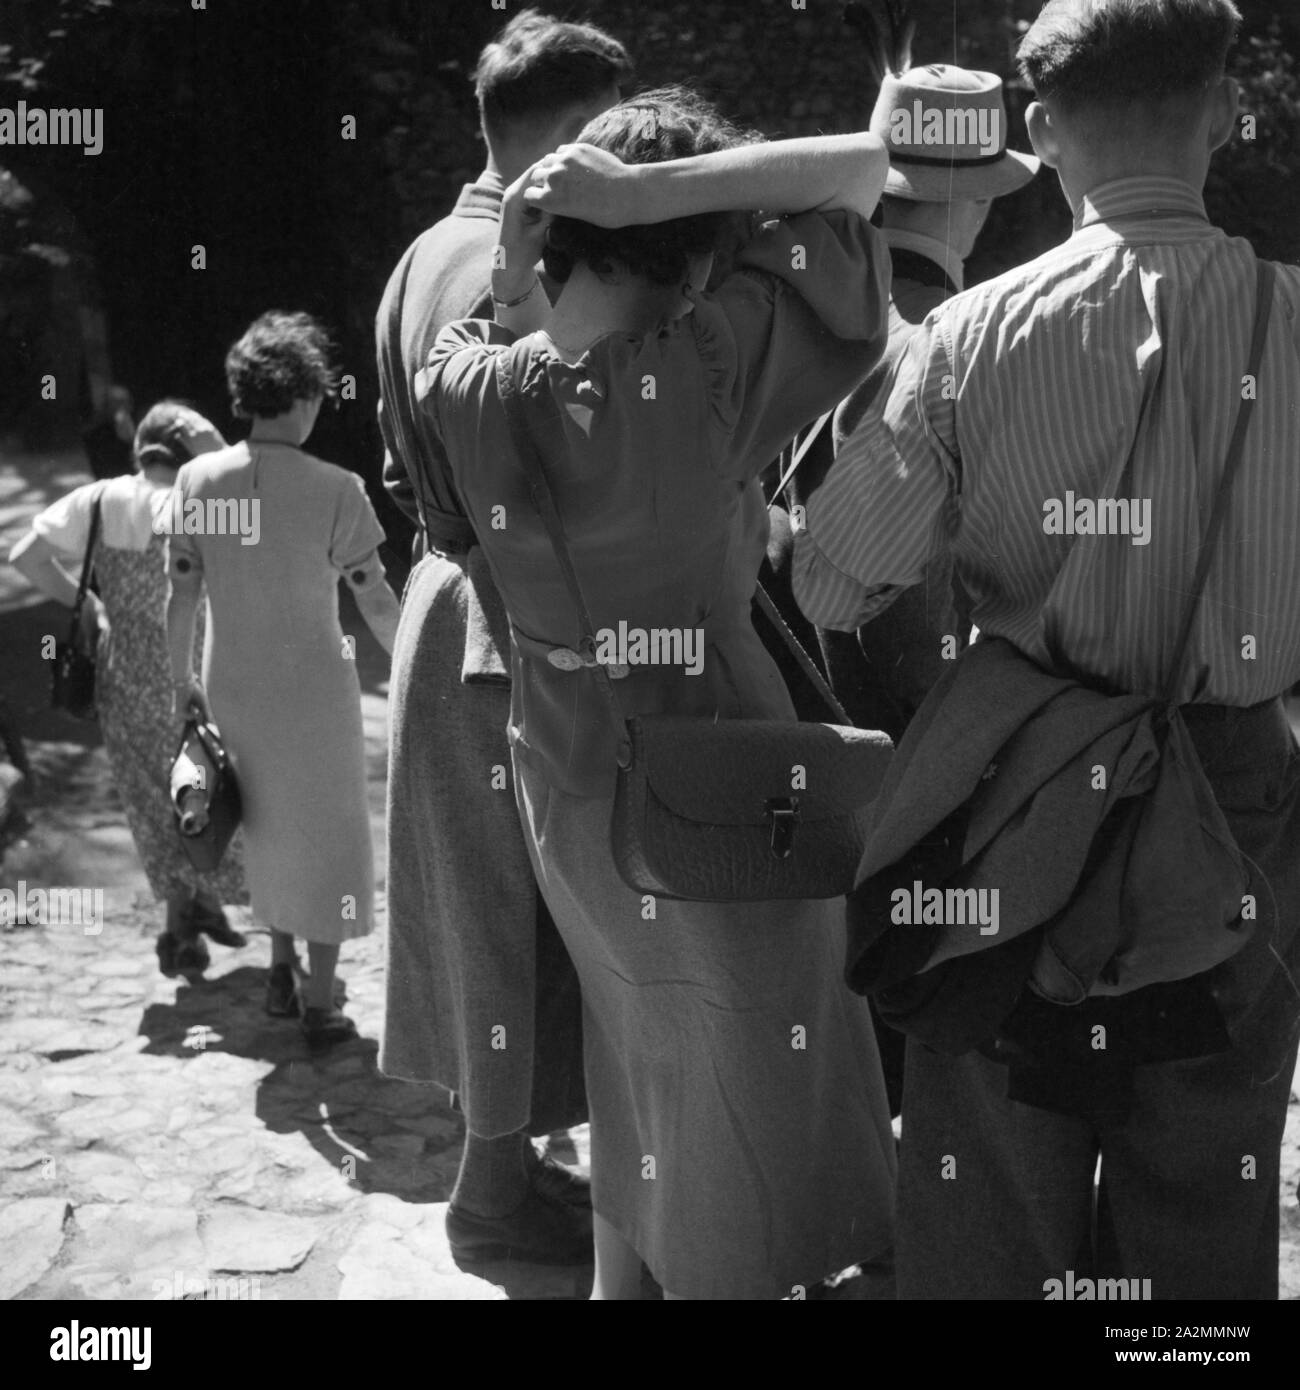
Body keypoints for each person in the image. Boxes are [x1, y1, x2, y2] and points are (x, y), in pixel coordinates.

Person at [794, 0, 1300, 1300]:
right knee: (1204, 1198)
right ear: (1224, 114)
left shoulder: (970, 337)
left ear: (1041, 128)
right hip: (1239, 797)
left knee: (992, 1199)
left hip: (1017, 802)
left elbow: (836, 587)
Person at [418, 87, 898, 1299]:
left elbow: (483, 335)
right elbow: (861, 173)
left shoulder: (466, 384)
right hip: (714, 776)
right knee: (742, 1078)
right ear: (699, 254)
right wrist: (650, 193)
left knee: (638, 1054)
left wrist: (533, 255)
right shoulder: (708, 365)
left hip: (564, 768)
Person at [376, 8, 630, 1264]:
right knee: (512, 912)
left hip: (443, 593)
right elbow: (542, 471)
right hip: (504, 613)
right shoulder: (511, 272)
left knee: (489, 910)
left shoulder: (425, 247)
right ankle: (489, 1195)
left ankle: (502, 1176)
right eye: (610, 145)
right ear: (564, 140)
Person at [779, 40, 1039, 1117]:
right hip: (922, 751)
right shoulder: (956, 347)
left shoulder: (797, 321)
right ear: (974, 209)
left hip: (797, 735)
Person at [165, 312, 401, 1048]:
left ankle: (279, 966)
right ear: (301, 398)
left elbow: (181, 594)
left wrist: (180, 683)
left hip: (230, 681)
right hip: (315, 691)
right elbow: (373, 596)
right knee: (326, 834)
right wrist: (415, 667)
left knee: (262, 821)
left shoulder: (200, 481)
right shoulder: (335, 489)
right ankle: (323, 1002)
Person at [10, 401, 249, 977]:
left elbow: (27, 556)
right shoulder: (198, 504)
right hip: (191, 673)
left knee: (150, 802)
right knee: (203, 795)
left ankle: (181, 926)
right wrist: (216, 446)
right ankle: (198, 913)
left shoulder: (99, 501)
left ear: (138, 450)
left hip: (122, 680)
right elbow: (254, 517)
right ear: (184, 452)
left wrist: (86, 598)